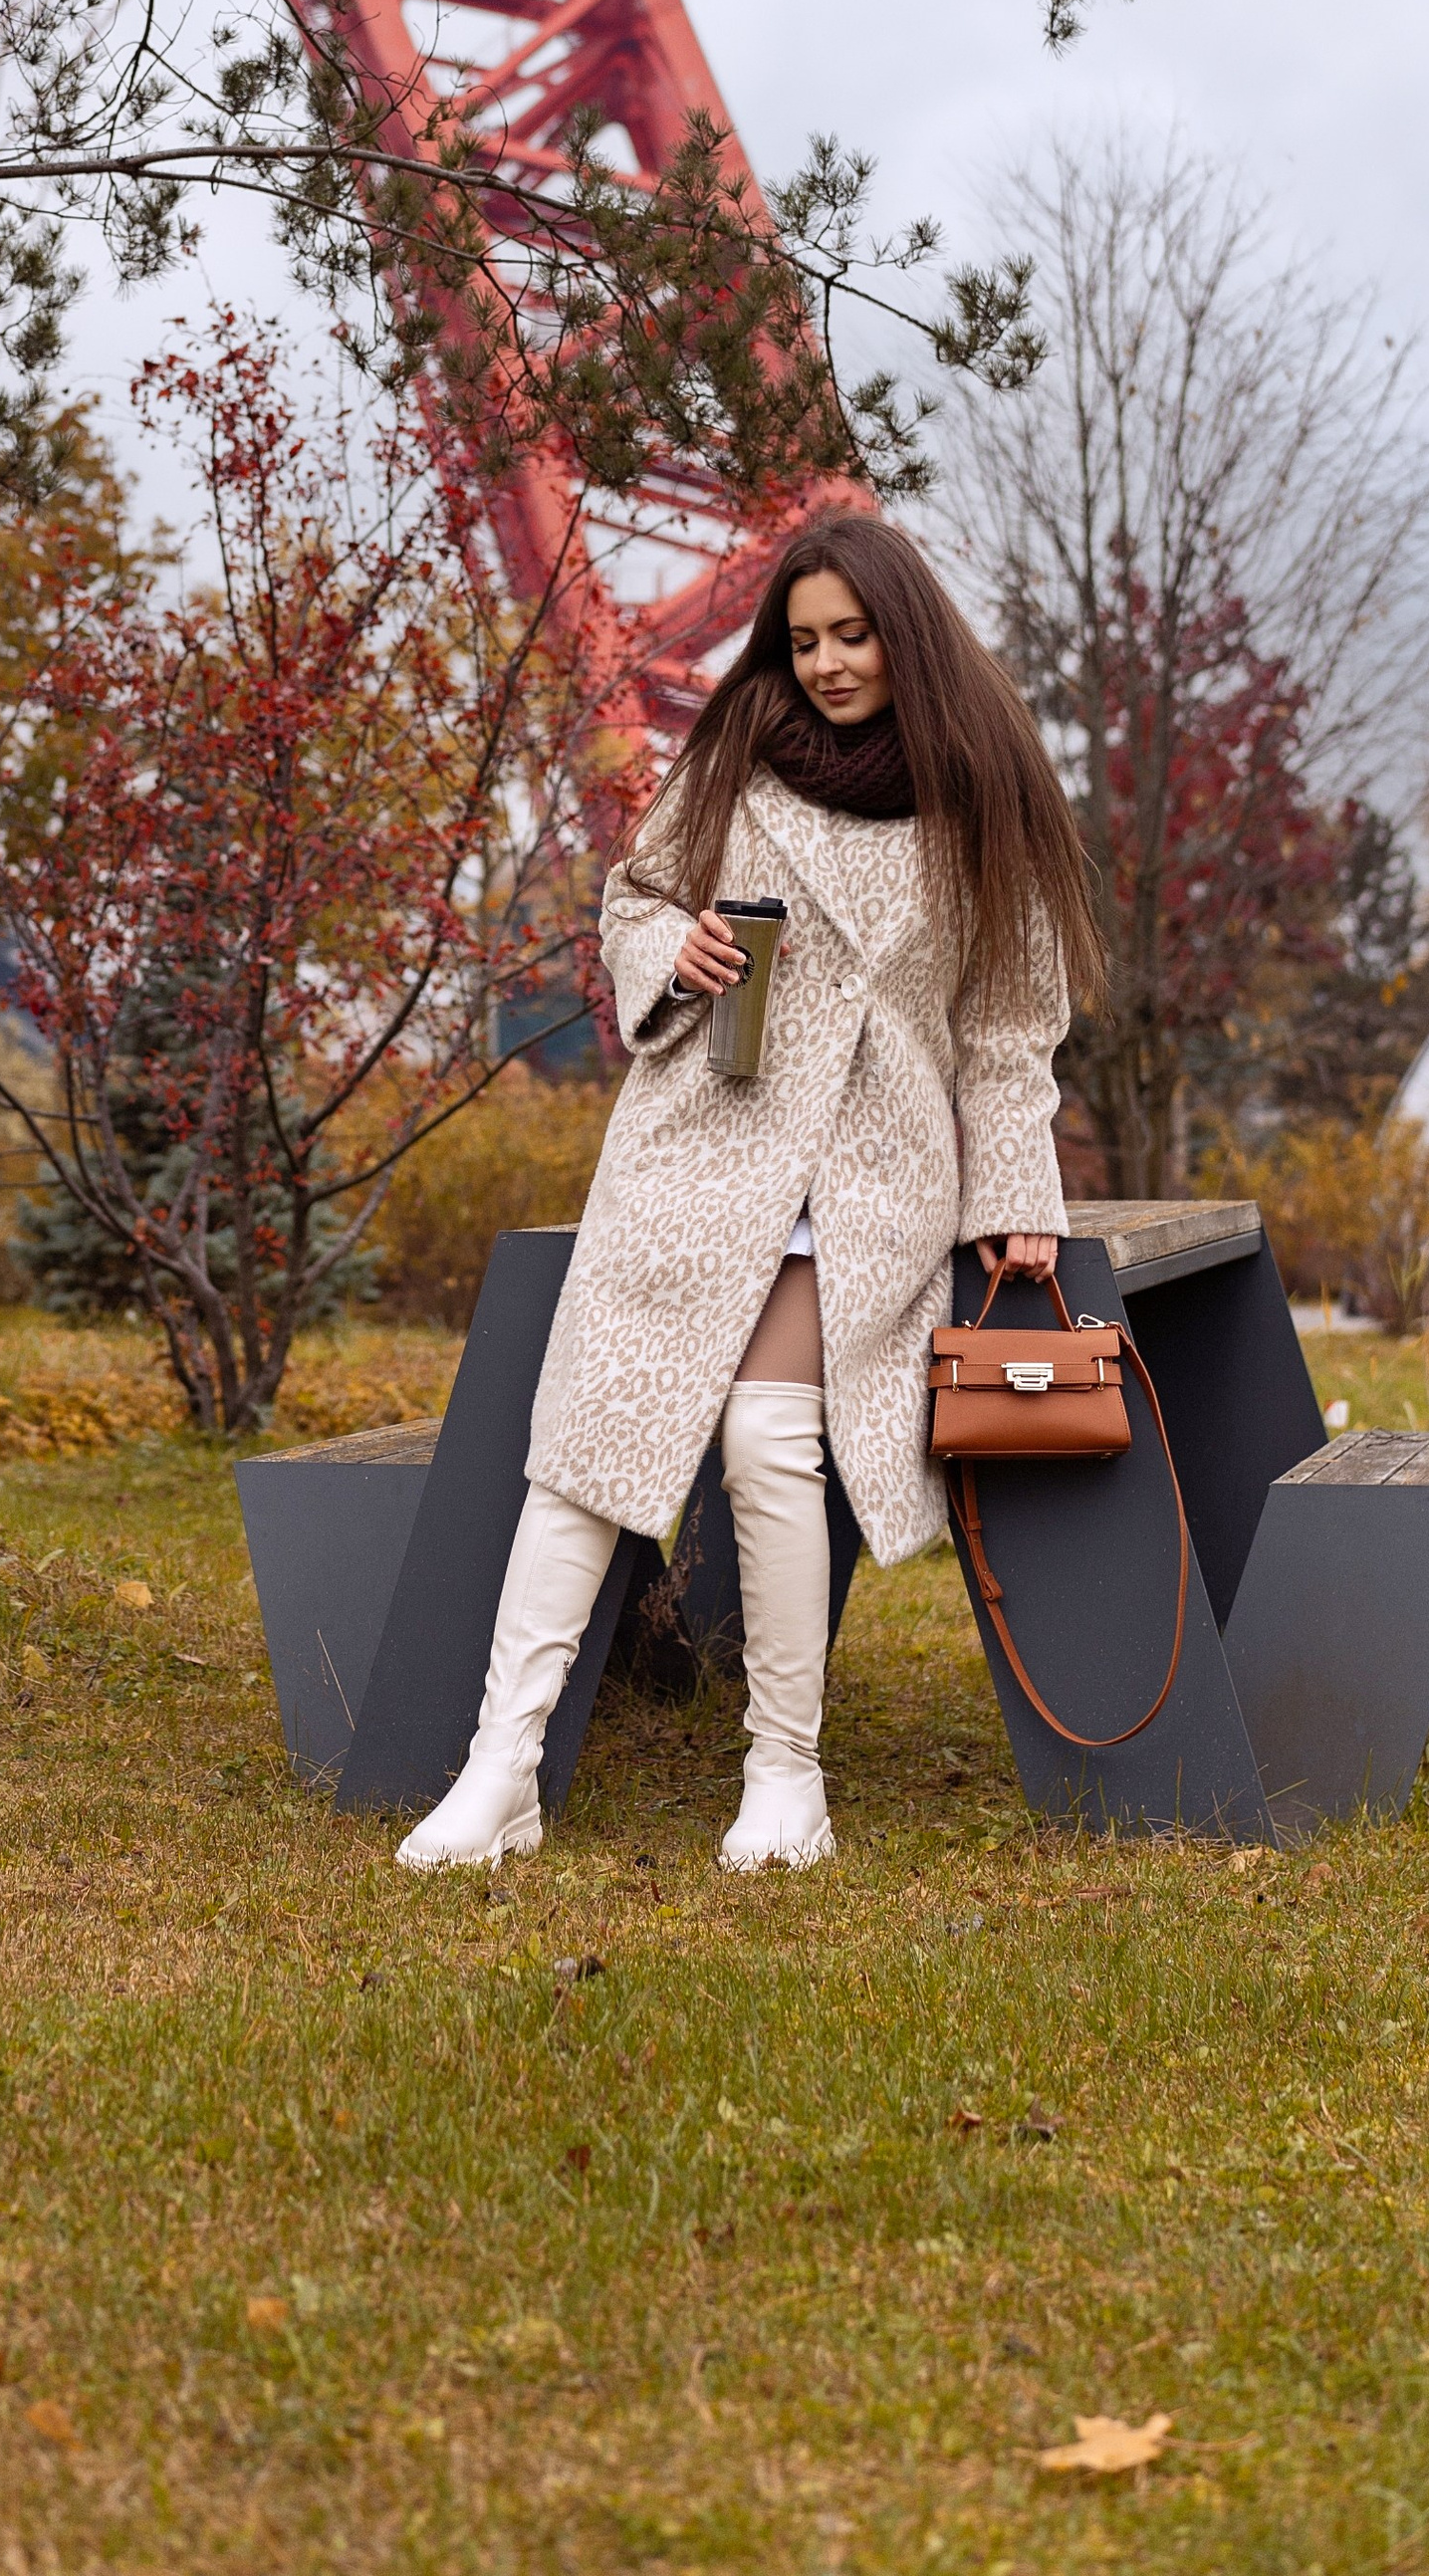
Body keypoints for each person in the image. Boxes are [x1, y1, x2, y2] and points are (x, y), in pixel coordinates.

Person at [397, 513, 1104, 1876]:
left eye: (854, 637)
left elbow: (1014, 1027)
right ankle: (502, 1770)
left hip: (869, 1176)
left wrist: (1017, 1188)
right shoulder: (734, 759)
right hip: (700, 1143)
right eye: (804, 639)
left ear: (909, 637)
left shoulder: (984, 800)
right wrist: (682, 944)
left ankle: (788, 1774)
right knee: (589, 1447)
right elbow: (632, 899)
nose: (829, 665)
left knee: (772, 1440)